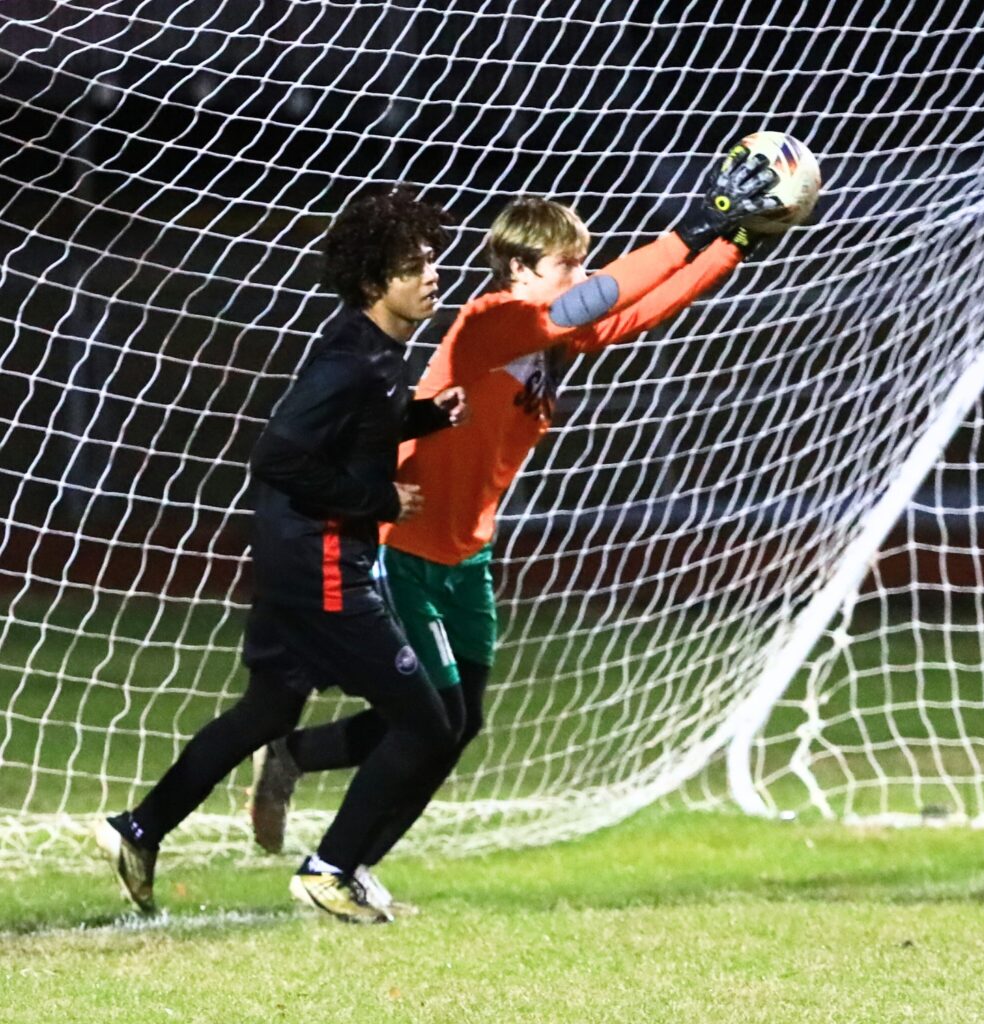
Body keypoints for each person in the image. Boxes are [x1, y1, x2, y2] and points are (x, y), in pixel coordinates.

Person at [248, 145, 784, 911]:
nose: (582, 278)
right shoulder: (493, 321)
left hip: (468, 555)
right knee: (430, 725)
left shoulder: (546, 335)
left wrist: (727, 246)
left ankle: (315, 790)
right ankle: (327, 867)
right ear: (522, 269)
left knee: (456, 726)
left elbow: (629, 312)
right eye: (570, 264)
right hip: (407, 548)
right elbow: (591, 303)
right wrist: (694, 225)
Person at [94, 184, 468, 924]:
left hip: (295, 557)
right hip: (324, 565)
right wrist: (380, 502)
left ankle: (138, 829)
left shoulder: (372, 350)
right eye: (415, 265)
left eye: (432, 259)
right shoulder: (353, 360)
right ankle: (331, 871)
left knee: (266, 711)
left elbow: (353, 430)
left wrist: (420, 415)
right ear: (372, 281)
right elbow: (278, 455)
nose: (433, 275)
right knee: (428, 727)